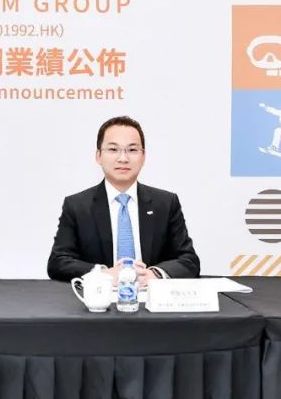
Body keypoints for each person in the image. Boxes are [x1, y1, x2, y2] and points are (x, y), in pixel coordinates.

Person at [47, 116, 200, 285]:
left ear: (143, 156)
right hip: (100, 297)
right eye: (113, 149)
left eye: (132, 150)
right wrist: (103, 274)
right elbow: (58, 262)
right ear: (98, 156)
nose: (123, 158)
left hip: (150, 296)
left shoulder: (166, 203)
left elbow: (188, 260)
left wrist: (154, 274)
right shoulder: (77, 206)